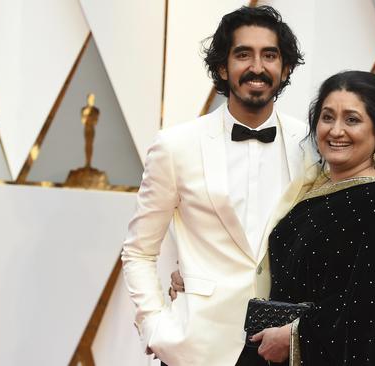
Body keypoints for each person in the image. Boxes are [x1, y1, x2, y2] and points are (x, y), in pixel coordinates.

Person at [173, 71, 375, 365]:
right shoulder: (308, 187)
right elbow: (258, 258)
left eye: (352, 120)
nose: (336, 130)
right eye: (327, 117)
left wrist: (295, 336)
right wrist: (199, 273)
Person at [121, 6, 314, 366]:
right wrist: (153, 325)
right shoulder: (176, 145)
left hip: (282, 345)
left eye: (269, 55)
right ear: (223, 68)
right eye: (243, 54)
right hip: (197, 347)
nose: (257, 67)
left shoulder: (310, 146)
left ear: (285, 68)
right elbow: (139, 251)